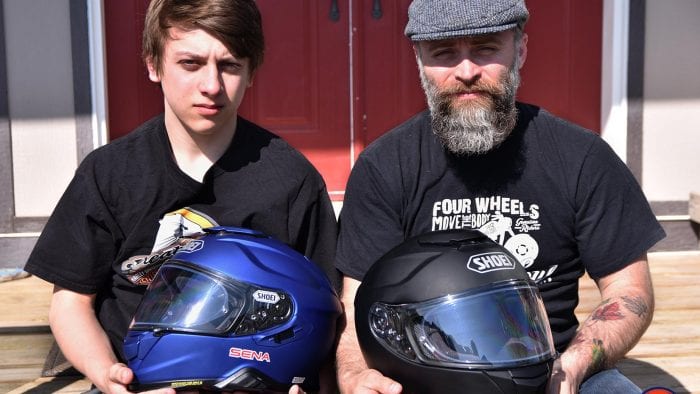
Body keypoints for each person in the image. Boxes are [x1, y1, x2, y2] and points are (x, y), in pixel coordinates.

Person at [334, 0, 665, 393]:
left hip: (554, 367)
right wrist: (354, 373)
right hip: (426, 373)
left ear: (520, 49)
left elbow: (629, 292)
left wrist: (574, 365)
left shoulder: (582, 157)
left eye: (486, 48)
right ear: (419, 59)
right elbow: (357, 307)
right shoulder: (385, 165)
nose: (467, 71)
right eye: (444, 53)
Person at [24, 0, 338, 393]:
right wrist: (107, 375)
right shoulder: (109, 172)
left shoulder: (292, 180)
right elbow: (71, 303)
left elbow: (327, 308)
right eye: (191, 63)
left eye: (230, 65)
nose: (211, 85)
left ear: (252, 72)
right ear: (154, 65)